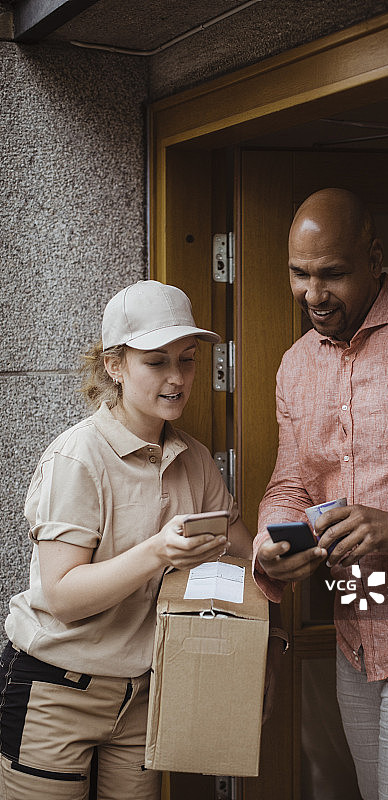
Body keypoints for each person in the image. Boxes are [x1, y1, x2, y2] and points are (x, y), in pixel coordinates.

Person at [0, 280, 253, 800]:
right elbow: (64, 597)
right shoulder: (77, 458)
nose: (178, 378)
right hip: (56, 689)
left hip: (145, 694)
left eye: (187, 360)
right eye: (156, 362)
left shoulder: (195, 458)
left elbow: (244, 551)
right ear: (115, 366)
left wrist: (283, 550)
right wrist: (158, 550)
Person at [253, 189, 388, 800]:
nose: (313, 295)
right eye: (300, 273)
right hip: (355, 633)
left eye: (332, 274)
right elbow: (289, 486)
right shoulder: (295, 365)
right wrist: (273, 543)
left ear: (374, 259)